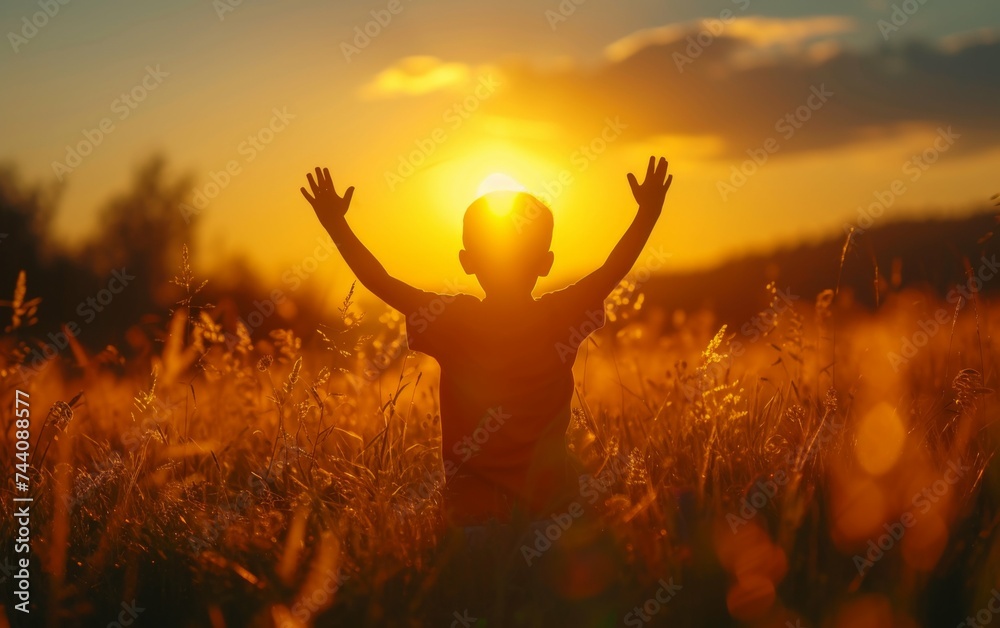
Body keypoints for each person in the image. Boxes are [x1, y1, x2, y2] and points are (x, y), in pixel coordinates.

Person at [300, 156, 672, 526]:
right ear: (546, 262)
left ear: (467, 261)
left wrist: (336, 224)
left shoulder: (452, 320)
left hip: (472, 507)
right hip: (551, 500)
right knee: (591, 490)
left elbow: (381, 282)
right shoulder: (561, 315)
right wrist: (648, 214)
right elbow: (612, 271)